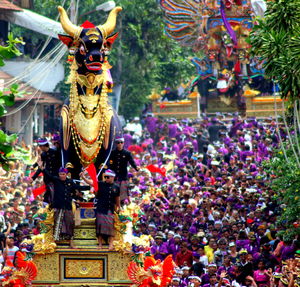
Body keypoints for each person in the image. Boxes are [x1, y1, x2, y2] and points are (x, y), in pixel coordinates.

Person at [40, 164, 90, 248]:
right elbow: (48, 175)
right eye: (60, 174)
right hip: (58, 206)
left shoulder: (70, 182)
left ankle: (71, 242)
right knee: (57, 223)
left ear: (66, 174)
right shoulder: (56, 180)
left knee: (70, 223)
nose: (61, 176)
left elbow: (78, 187)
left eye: (63, 174)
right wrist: (42, 168)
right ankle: (55, 242)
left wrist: (90, 187)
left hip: (68, 206)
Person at [94, 169, 120, 250]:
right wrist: (83, 177)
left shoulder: (116, 187)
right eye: (105, 177)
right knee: (100, 226)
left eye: (108, 177)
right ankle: (100, 244)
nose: (106, 178)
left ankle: (111, 244)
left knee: (110, 227)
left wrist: (119, 207)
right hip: (101, 208)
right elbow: (91, 183)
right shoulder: (101, 184)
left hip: (110, 209)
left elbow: (117, 199)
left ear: (112, 177)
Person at [30, 138, 61, 203]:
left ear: (44, 146)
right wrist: (33, 178)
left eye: (40, 146)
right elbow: (41, 167)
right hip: (47, 176)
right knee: (48, 194)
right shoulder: (43, 154)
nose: (40, 148)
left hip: (55, 176)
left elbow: (59, 165)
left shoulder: (55, 152)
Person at [108, 137, 139, 203]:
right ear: (116, 144)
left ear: (123, 143)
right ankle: (115, 203)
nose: (120, 144)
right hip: (115, 174)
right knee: (115, 189)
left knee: (124, 189)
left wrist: (136, 168)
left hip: (123, 174)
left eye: (121, 142)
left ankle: (126, 202)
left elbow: (131, 162)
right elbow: (110, 163)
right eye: (118, 143)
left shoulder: (127, 153)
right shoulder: (113, 153)